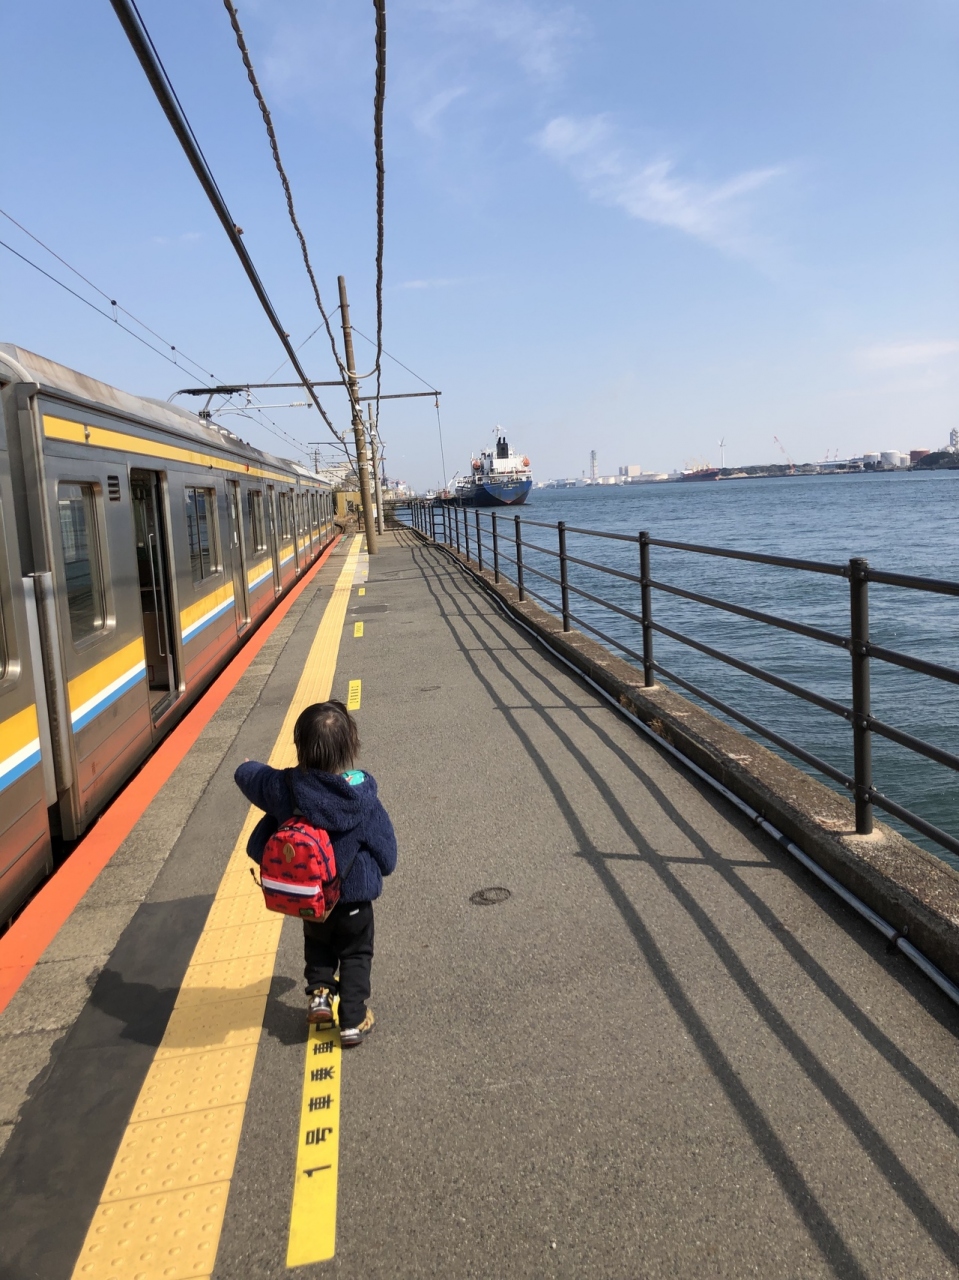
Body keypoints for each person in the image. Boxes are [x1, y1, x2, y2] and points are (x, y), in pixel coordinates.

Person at [235, 700, 397, 1046]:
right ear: (350, 747)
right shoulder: (361, 796)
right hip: (353, 901)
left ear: (300, 747)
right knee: (355, 954)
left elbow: (251, 777)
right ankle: (352, 1021)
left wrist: (245, 767)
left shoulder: (286, 787)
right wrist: (381, 867)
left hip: (312, 900)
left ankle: (320, 997)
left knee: (319, 946)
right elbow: (387, 854)